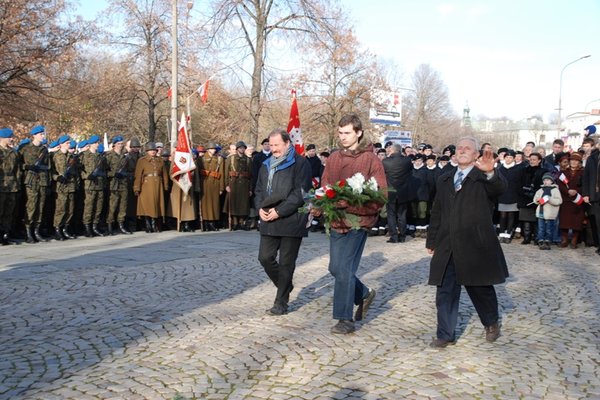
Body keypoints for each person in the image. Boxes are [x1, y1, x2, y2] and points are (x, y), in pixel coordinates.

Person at [426, 136, 508, 348]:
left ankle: (491, 323)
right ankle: (445, 334)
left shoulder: (483, 178)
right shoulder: (444, 179)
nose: (462, 151)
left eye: (467, 148)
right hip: (447, 243)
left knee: (480, 288)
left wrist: (490, 172)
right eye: (459, 148)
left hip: (475, 244)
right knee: (445, 290)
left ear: (475, 155)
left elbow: (500, 189)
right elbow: (437, 211)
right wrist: (432, 239)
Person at [317, 113, 387, 334]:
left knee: (345, 268)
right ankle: (364, 294)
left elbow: (381, 194)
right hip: (337, 220)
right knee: (335, 268)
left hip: (359, 221)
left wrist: (357, 206)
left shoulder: (371, 160)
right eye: (340, 133)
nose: (343, 137)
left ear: (358, 133)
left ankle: (345, 319)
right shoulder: (334, 158)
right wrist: (321, 201)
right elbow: (325, 184)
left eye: (347, 133)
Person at [255, 128, 312, 315]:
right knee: (264, 257)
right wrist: (260, 209)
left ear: (287, 143)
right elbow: (258, 190)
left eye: (277, 145)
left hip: (291, 219)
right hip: (268, 218)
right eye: (271, 145)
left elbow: (300, 193)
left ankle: (281, 302)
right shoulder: (265, 165)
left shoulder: (300, 163)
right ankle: (285, 285)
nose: (273, 149)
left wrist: (279, 211)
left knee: (287, 263)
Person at [20, 125, 51, 243]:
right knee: (31, 206)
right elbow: (19, 165)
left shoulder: (44, 150)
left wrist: (47, 182)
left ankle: (36, 230)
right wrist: (27, 166)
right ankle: (28, 232)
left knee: (40, 206)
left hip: (42, 180)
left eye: (43, 134)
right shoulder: (25, 148)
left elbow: (48, 166)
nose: (43, 136)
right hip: (31, 180)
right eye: (40, 134)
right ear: (34, 135)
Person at [133, 142, 169, 233]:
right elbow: (138, 175)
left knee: (157, 205)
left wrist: (166, 185)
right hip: (146, 185)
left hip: (158, 184)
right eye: (150, 150)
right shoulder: (142, 160)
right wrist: (137, 187)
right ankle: (148, 225)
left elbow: (164, 174)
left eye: (154, 150)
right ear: (147, 151)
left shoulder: (160, 160)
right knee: (147, 205)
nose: (152, 152)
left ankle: (155, 224)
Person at [382, 143, 413, 243]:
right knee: (402, 215)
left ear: (392, 150)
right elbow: (410, 172)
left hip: (391, 192)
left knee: (391, 215)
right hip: (403, 192)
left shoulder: (385, 161)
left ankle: (394, 236)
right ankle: (402, 236)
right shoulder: (407, 161)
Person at [80, 135, 108, 237]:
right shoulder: (84, 155)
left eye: (98, 143)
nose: (97, 144)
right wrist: (87, 176)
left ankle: (95, 226)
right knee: (89, 206)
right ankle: (87, 227)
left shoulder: (100, 156)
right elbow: (79, 170)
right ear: (91, 144)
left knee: (98, 207)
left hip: (99, 184)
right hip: (90, 185)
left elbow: (104, 170)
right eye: (96, 143)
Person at [51, 135, 78, 240]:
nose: (69, 145)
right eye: (67, 143)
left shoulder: (71, 157)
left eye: (69, 143)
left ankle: (65, 229)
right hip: (61, 186)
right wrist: (57, 177)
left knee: (70, 209)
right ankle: (57, 229)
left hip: (70, 185)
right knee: (61, 209)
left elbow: (75, 171)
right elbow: (51, 171)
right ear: (61, 144)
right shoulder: (55, 156)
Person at [105, 135, 132, 235]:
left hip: (123, 184)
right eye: (118, 144)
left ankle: (121, 224)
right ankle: (110, 225)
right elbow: (104, 172)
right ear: (114, 145)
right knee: (113, 206)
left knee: (123, 206)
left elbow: (129, 169)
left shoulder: (125, 156)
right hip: (113, 184)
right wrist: (113, 174)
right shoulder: (109, 156)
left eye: (122, 144)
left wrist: (126, 175)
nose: (120, 146)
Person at [224, 141, 252, 230]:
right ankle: (235, 223)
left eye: (243, 148)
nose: (242, 149)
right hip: (233, 184)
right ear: (237, 149)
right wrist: (226, 185)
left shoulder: (248, 159)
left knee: (243, 204)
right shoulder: (230, 159)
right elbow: (226, 174)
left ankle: (242, 223)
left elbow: (251, 175)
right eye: (240, 148)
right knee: (234, 204)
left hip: (244, 184)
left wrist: (250, 188)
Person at [0, 128, 20, 245]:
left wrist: (17, 183)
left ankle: (5, 234)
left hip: (12, 186)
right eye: (10, 137)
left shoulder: (14, 152)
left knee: (9, 212)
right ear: (3, 138)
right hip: (1, 185)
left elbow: (17, 170)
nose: (12, 139)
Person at [534, 173, 562, 250]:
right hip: (541, 212)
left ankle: (548, 241)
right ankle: (540, 240)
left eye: (548, 180)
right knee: (541, 228)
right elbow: (535, 199)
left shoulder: (555, 190)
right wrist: (537, 200)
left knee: (549, 228)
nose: (546, 181)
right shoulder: (540, 190)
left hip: (550, 213)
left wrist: (550, 199)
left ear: (551, 181)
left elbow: (559, 201)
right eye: (544, 180)